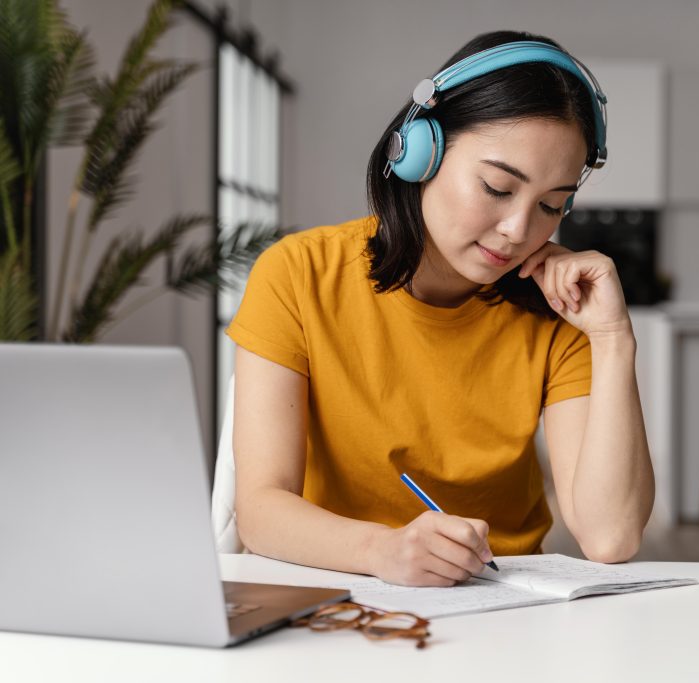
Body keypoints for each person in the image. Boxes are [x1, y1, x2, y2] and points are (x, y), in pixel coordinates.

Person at [228, 30, 654, 588]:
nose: (519, 231)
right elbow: (260, 511)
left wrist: (614, 339)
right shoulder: (299, 275)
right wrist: (384, 550)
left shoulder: (563, 309)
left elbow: (610, 536)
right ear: (420, 152)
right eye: (497, 188)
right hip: (342, 586)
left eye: (552, 205)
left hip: (505, 605)